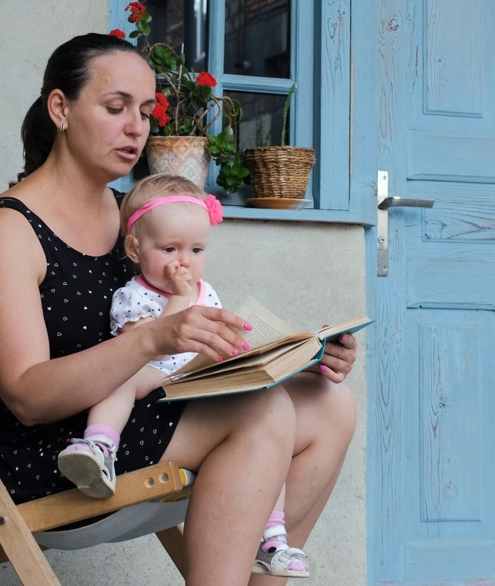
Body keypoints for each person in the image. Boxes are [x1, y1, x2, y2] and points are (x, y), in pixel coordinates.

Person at [0, 32, 358, 585]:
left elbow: (177, 346)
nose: (137, 127)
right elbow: (25, 397)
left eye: (144, 111)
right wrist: (152, 339)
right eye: (116, 108)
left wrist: (295, 355)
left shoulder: (133, 216)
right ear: (60, 109)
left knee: (328, 402)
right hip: (48, 454)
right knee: (260, 414)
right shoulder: (8, 232)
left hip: (140, 411)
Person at [56, 173, 310, 577]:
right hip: (148, 381)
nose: (184, 261)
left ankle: (273, 535)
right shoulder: (133, 294)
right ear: (136, 249)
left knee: (272, 418)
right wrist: (179, 297)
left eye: (196, 249)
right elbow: (146, 344)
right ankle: (99, 446)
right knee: (118, 380)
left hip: (193, 385)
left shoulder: (205, 291)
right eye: (170, 248)